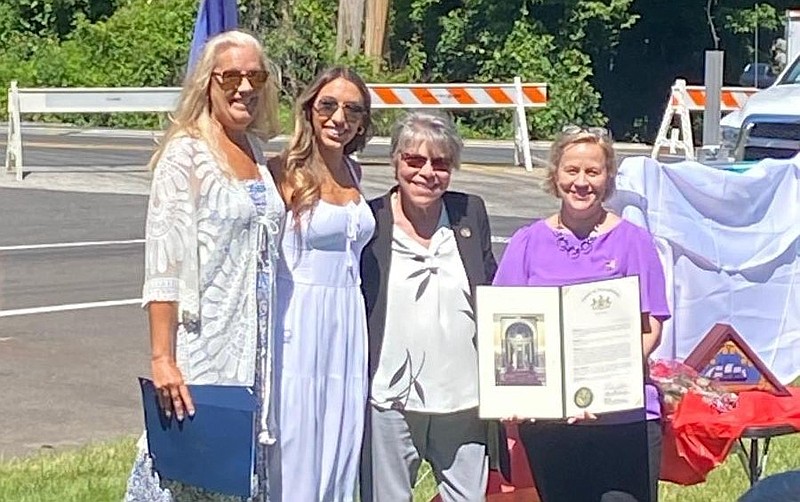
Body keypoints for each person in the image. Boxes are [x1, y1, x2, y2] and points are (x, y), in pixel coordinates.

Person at [124, 30, 284, 501]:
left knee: (237, 475)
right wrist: (162, 358)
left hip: (254, 348)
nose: (244, 87)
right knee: (191, 474)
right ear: (208, 83)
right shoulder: (186, 154)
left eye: (255, 76)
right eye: (230, 75)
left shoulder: (255, 151)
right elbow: (163, 265)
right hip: (203, 345)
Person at [493, 126, 670, 502]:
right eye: (572, 170)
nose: (581, 182)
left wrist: (598, 390)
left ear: (608, 178)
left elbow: (650, 328)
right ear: (555, 173)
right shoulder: (526, 243)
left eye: (593, 171)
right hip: (549, 422)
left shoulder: (634, 241)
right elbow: (504, 327)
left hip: (623, 418)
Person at [360, 111, 500, 502]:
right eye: (414, 160)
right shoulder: (370, 220)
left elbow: (494, 292)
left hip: (465, 396)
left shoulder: (469, 212)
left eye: (440, 163)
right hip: (390, 395)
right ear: (395, 162)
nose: (426, 173)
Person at [268, 66, 375, 501]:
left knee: (340, 425)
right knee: (297, 431)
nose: (339, 118)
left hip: (348, 320)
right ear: (310, 110)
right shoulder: (282, 171)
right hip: (299, 317)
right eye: (328, 105)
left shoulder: (355, 172)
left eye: (352, 109)